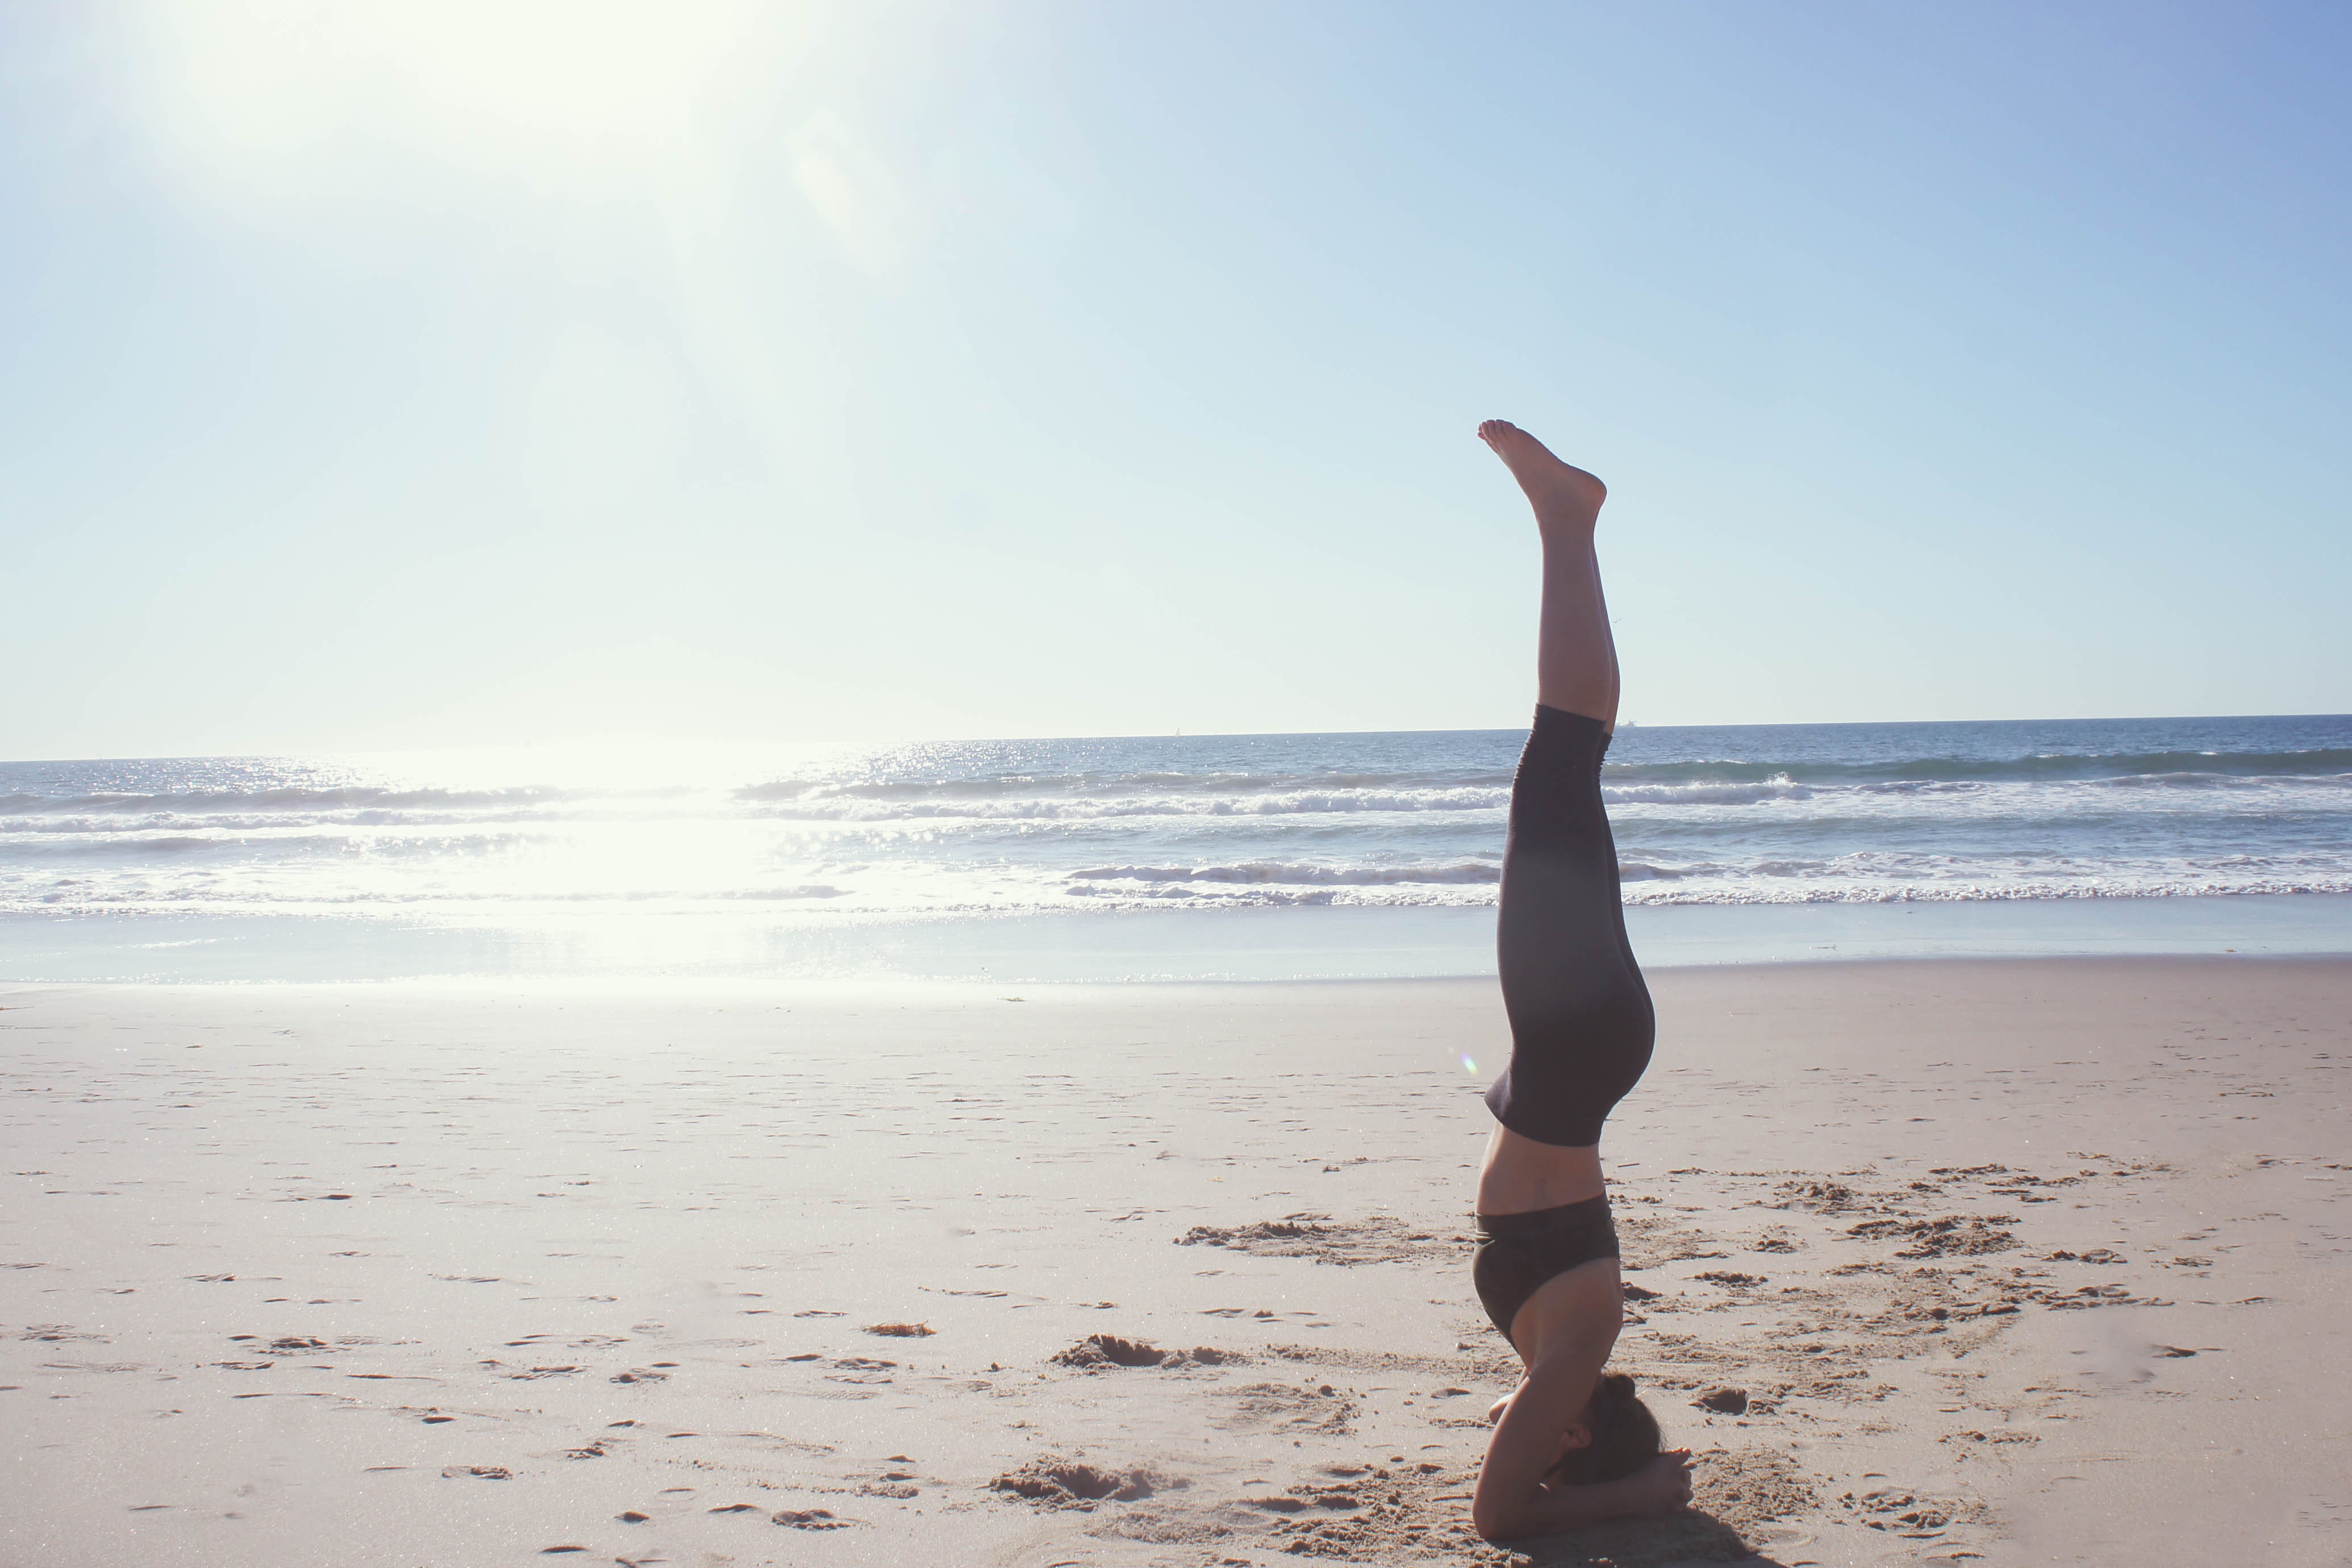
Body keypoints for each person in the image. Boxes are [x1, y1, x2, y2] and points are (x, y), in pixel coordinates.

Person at [1466, 420, 1696, 1542]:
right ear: (1575, 1438)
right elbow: (1497, 1524)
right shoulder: (1574, 1364)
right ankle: (1567, 519)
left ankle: (1570, 522)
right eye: (1549, 1449)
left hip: (1581, 1055)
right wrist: (1636, 1500)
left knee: (1570, 764)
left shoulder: (1569, 1357)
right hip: (1572, 1048)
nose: (1521, 1437)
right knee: (1559, 763)